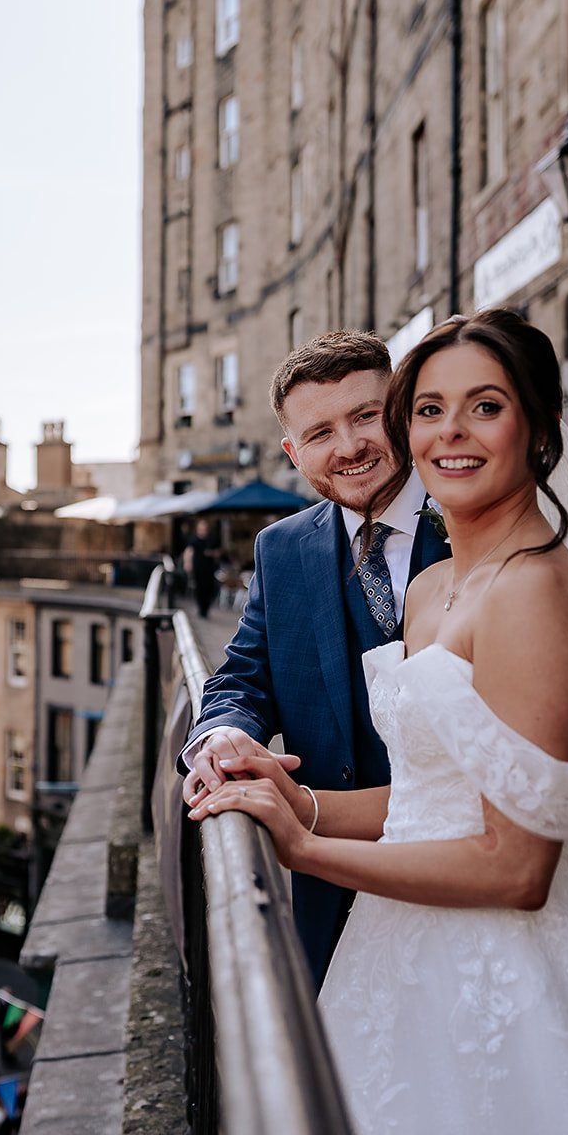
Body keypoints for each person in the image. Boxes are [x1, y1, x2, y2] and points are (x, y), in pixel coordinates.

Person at [190, 307, 568, 1135]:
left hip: (509, 974)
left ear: (535, 428)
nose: (446, 433)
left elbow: (514, 862)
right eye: (429, 408)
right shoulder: (422, 587)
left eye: (482, 406)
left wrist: (302, 850)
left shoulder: (533, 587)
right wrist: (276, 790)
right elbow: (431, 790)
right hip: (385, 959)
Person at [182, 330, 449, 986]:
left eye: (365, 415)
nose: (350, 445)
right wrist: (222, 740)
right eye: (320, 432)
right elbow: (243, 677)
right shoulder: (279, 550)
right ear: (292, 452)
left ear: (401, 409)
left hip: (473, 881)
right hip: (336, 901)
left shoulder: (482, 520)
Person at [184, 518, 220, 618]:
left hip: (209, 568)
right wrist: (187, 564)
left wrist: (211, 553)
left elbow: (218, 553)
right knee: (199, 588)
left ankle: (205, 608)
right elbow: (189, 552)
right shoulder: (194, 539)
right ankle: (201, 609)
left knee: (209, 588)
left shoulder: (212, 539)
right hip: (198, 567)